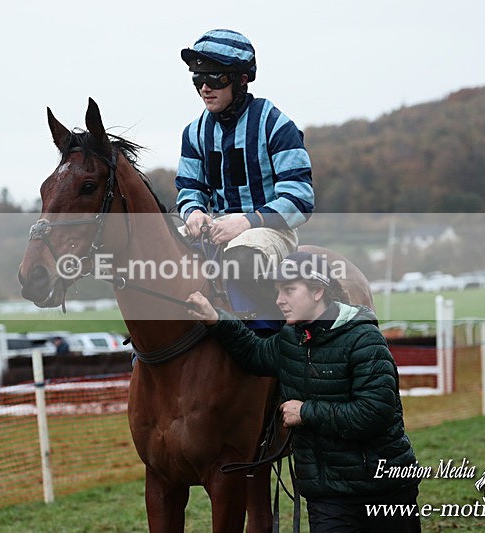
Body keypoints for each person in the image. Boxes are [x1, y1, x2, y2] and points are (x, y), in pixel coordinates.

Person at [186, 252, 421, 532]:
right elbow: (254, 353)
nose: (278, 300)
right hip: (327, 497)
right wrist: (216, 319)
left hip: (385, 489)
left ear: (317, 291)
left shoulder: (364, 339)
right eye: (277, 292)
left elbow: (374, 413)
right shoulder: (291, 339)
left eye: (289, 290)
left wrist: (305, 412)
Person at [176, 29, 315, 333]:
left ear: (241, 79)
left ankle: (287, 339)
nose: (204, 88)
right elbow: (190, 188)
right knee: (161, 254)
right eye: (197, 78)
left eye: (214, 78)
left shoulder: (275, 124)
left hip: (270, 231)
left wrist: (247, 222)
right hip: (215, 228)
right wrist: (194, 212)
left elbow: (300, 199)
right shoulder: (194, 133)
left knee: (240, 259)